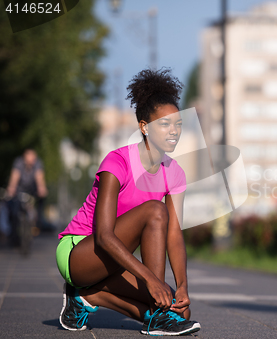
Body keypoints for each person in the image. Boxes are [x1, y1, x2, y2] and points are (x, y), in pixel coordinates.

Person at [55, 68, 200, 336]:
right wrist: (151, 279)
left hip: (113, 258)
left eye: (178, 124)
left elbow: (174, 234)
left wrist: (182, 285)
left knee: (181, 311)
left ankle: (88, 297)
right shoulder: (117, 162)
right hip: (80, 252)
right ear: (144, 127)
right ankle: (154, 315)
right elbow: (104, 236)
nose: (174, 131)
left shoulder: (175, 172)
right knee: (155, 211)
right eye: (165, 124)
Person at [6, 149, 48, 244]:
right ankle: (13, 231)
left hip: (32, 190)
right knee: (13, 208)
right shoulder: (19, 163)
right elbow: (14, 177)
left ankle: (38, 223)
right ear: (25, 157)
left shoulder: (37, 164)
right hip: (20, 190)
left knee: (40, 202)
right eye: (32, 158)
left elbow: (39, 177)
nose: (34, 160)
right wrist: (11, 188)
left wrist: (41, 188)